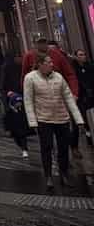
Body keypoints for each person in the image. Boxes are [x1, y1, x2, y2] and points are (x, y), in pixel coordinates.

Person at [23, 53, 83, 192]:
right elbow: (28, 101)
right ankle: (48, 175)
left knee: (63, 148)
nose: (52, 64)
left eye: (51, 62)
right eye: (48, 62)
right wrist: (33, 122)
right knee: (47, 147)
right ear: (40, 64)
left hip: (62, 117)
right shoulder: (30, 78)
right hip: (43, 119)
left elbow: (68, 98)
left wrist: (78, 119)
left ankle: (64, 173)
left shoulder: (58, 77)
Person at [3, 91, 31, 159]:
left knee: (23, 138)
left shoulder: (23, 111)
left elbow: (26, 118)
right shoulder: (9, 112)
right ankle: (22, 148)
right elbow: (6, 122)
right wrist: (7, 129)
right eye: (17, 103)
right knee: (17, 140)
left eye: (20, 102)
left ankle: (24, 150)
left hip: (22, 128)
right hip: (14, 130)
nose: (19, 104)